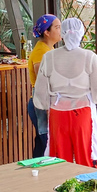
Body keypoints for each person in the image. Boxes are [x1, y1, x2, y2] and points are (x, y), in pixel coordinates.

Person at [33, 18, 97, 167]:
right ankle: (86, 188)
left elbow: (40, 92)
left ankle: (60, 188)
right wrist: (96, 98)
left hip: (57, 114)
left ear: (63, 33)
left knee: (60, 161)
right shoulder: (89, 56)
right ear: (81, 33)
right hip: (82, 114)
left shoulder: (49, 57)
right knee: (85, 158)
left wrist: (46, 104)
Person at [27, 15, 61, 158]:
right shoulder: (42, 51)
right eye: (57, 27)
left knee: (43, 143)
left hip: (45, 101)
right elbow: (43, 81)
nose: (61, 31)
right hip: (42, 102)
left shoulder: (48, 49)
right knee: (46, 141)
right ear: (46, 32)